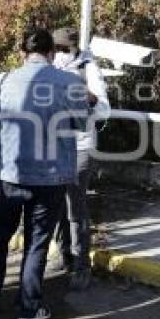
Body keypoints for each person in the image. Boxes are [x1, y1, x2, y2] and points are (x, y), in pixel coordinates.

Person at [0, 27, 89, 319]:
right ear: (51, 54)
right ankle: (28, 307)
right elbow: (82, 123)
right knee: (36, 243)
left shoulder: (3, 81)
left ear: (23, 54)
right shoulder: (70, 82)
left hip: (9, 173)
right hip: (50, 177)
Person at [49, 27, 111, 290]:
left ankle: (82, 265)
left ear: (73, 48)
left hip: (80, 147)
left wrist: (88, 97)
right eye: (56, 49)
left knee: (76, 207)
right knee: (58, 205)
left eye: (63, 49)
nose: (58, 54)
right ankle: (65, 255)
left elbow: (105, 110)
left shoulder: (89, 69)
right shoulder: (51, 68)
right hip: (55, 146)